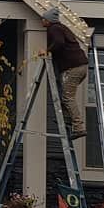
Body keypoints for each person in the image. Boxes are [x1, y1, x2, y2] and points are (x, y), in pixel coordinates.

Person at [41, 8, 88, 140]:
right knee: (66, 93)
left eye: (44, 19)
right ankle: (67, 118)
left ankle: (79, 128)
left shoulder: (54, 28)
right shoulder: (61, 28)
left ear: (49, 20)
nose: (42, 21)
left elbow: (59, 43)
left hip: (74, 67)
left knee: (68, 97)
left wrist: (46, 50)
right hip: (80, 66)